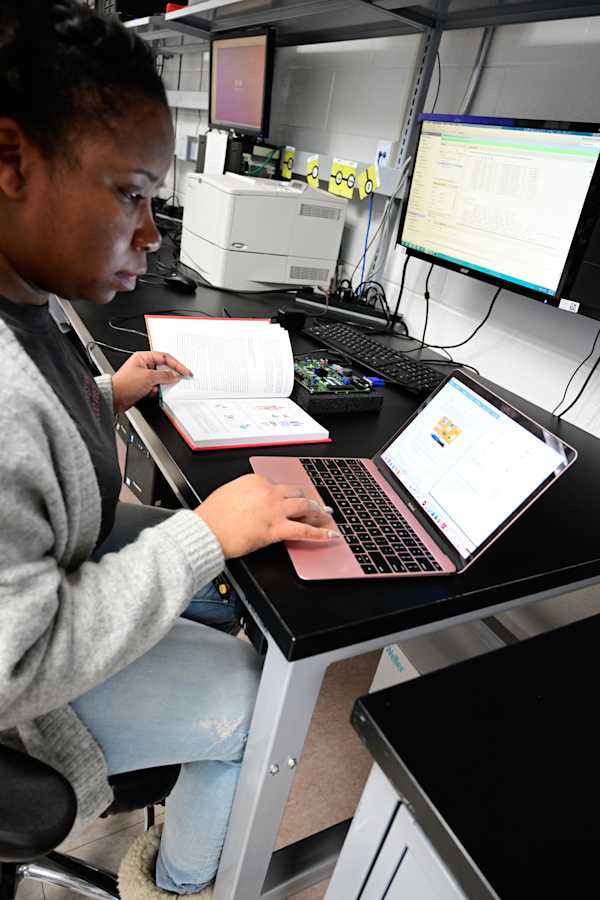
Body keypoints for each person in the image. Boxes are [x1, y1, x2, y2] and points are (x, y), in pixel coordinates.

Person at [0, 3, 336, 898]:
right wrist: (204, 536)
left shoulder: (23, 299)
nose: (151, 234)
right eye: (131, 193)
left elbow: (28, 461)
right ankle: (178, 886)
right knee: (248, 701)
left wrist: (108, 393)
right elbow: (16, 664)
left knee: (233, 596)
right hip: (19, 708)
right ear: (10, 161)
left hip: (54, 563)